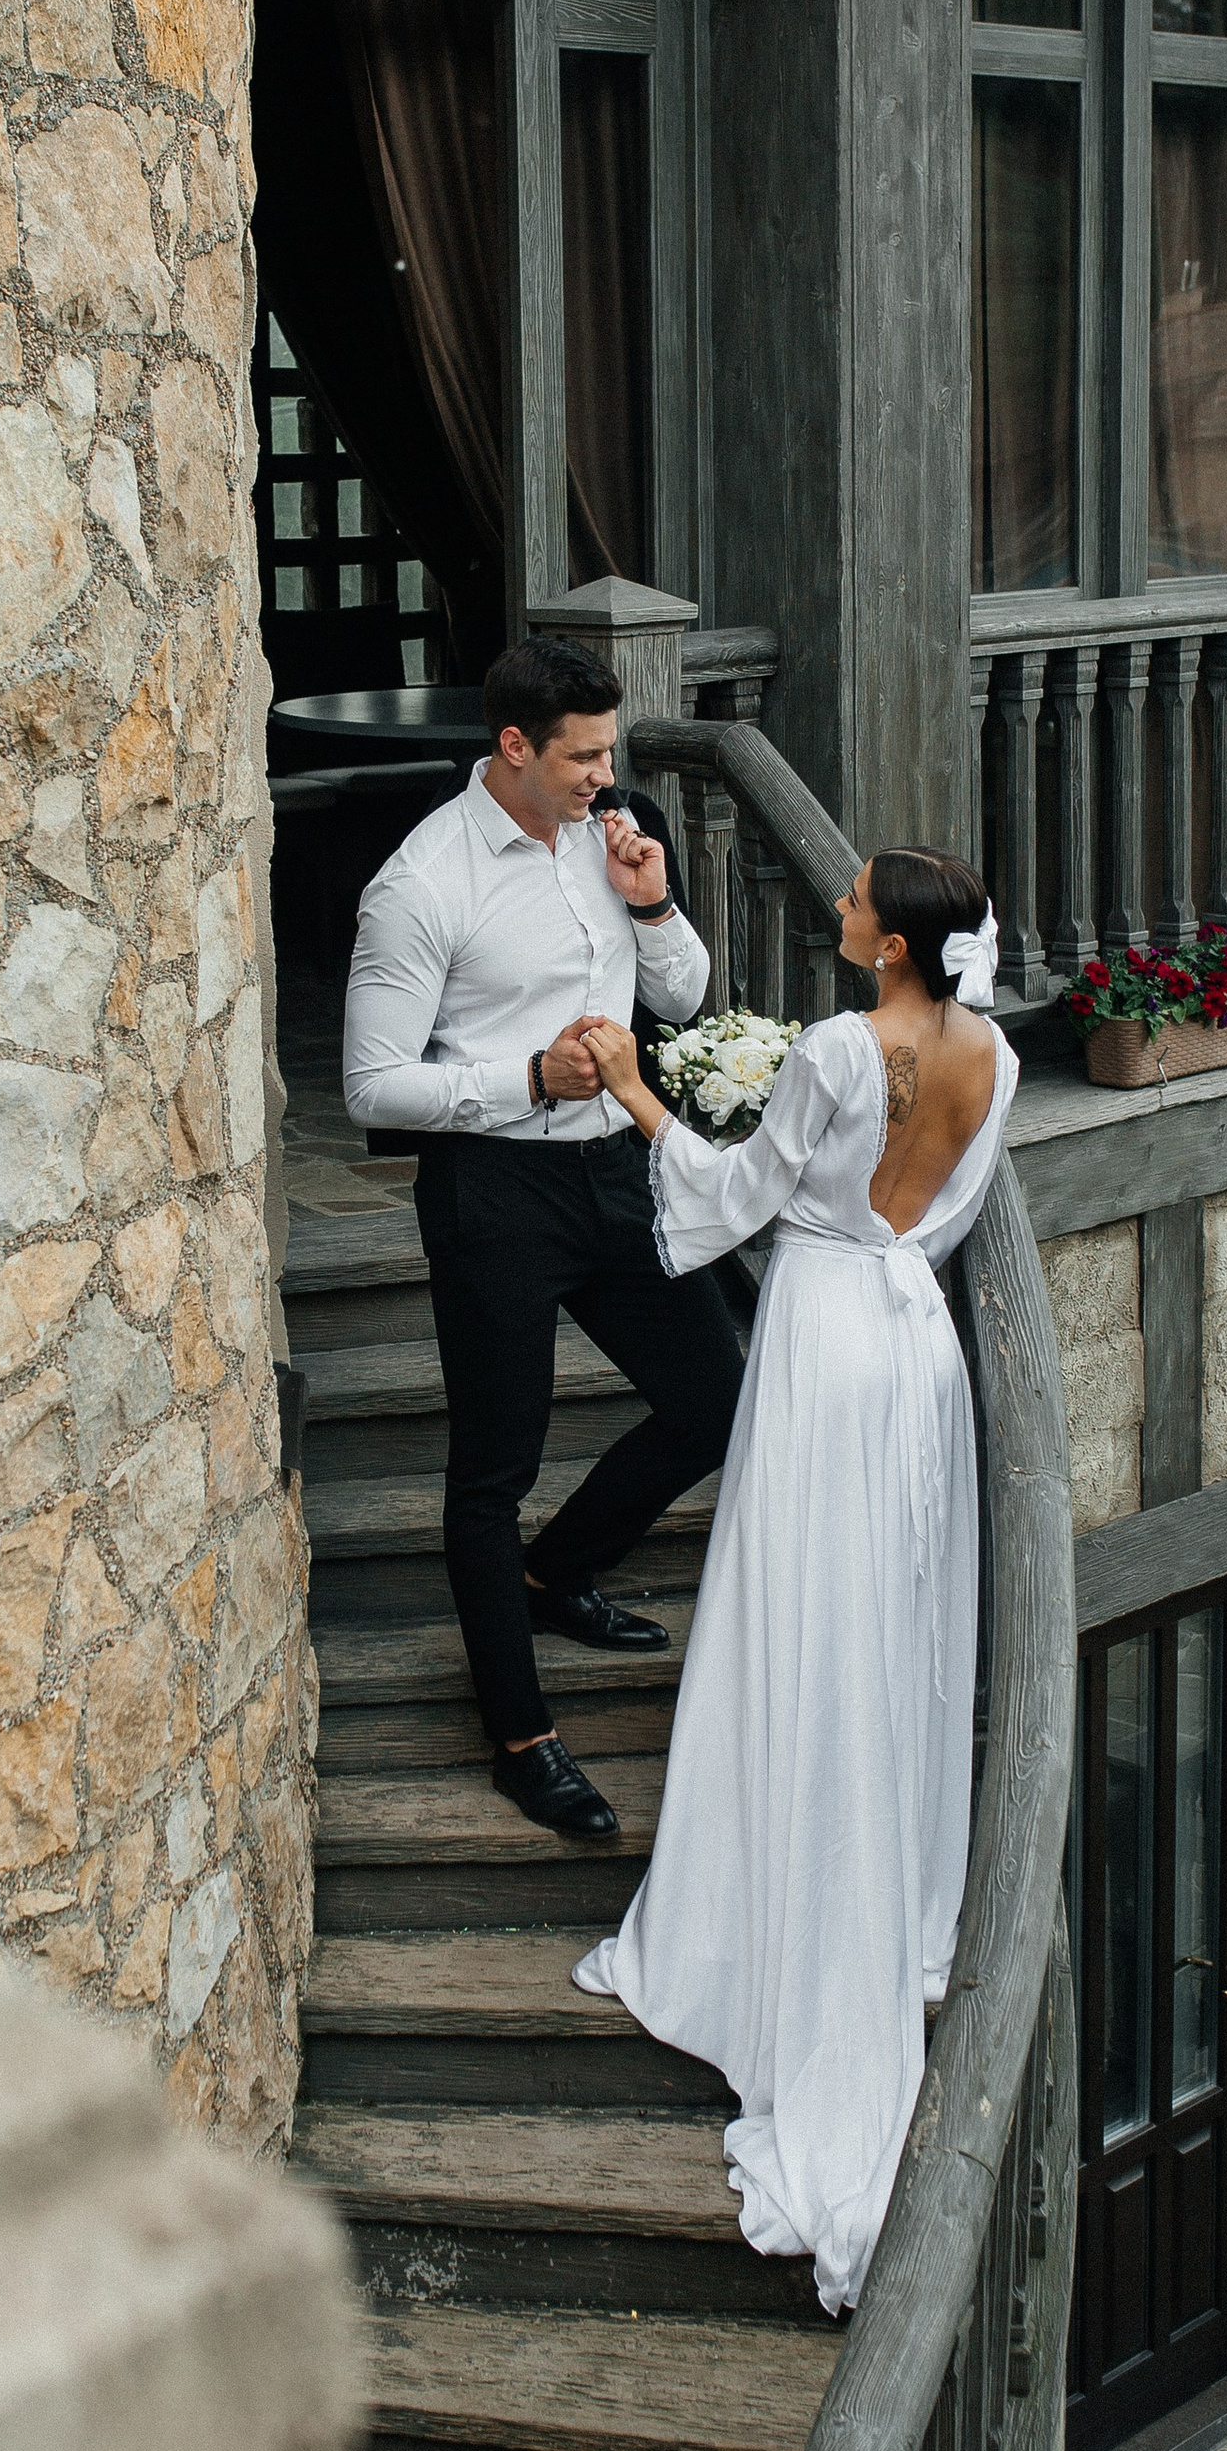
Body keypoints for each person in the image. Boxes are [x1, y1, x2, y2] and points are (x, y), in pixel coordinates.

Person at [571, 851, 1014, 2312]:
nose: (839, 903)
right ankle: (887, 1863)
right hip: (913, 1346)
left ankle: (769, 1911)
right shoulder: (992, 1052)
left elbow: (741, 1191)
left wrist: (639, 1093)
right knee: (887, 1616)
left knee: (794, 1618)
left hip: (825, 1333)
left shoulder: (837, 1047)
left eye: (857, 897)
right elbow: (939, 1219)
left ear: (890, 939)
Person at [342, 637, 747, 1842]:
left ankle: (557, 1571)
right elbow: (370, 1086)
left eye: (608, 751)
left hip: (612, 1172)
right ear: (513, 746)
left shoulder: (609, 828)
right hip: (496, 1195)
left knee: (716, 1402)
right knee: (490, 1471)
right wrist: (523, 1073)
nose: (602, 776)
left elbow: (679, 995)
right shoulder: (420, 886)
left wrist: (653, 901)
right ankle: (522, 1737)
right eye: (581, 755)